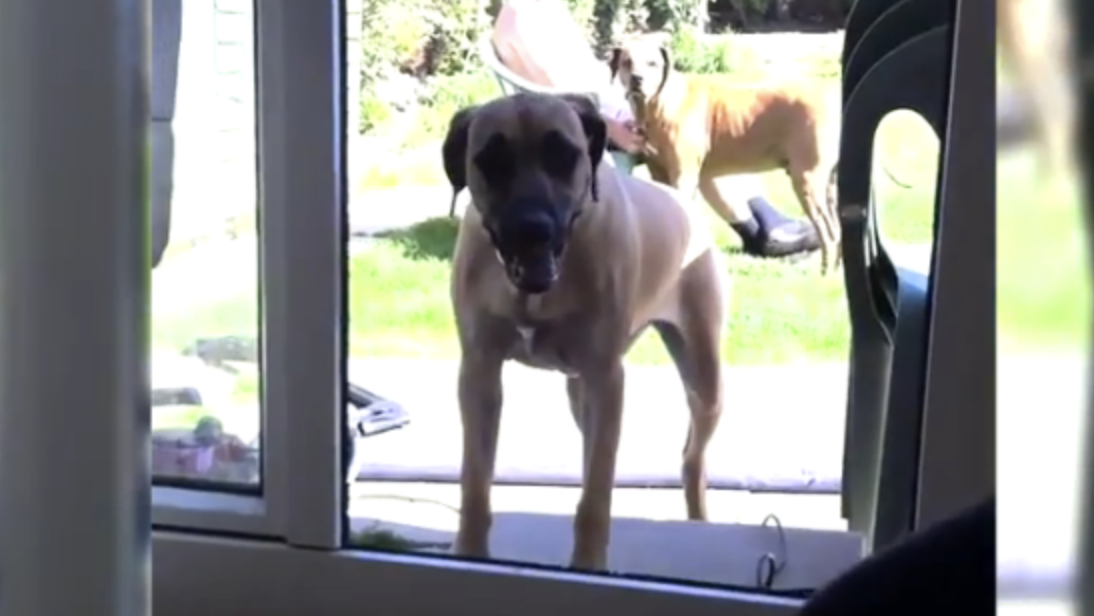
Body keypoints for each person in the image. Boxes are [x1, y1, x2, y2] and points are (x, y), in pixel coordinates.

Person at [490, 0, 820, 259]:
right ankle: (760, 229)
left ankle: (761, 224)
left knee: (698, 126)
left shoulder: (540, 9)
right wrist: (614, 129)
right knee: (691, 135)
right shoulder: (521, 18)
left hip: (610, 108)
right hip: (588, 126)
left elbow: (584, 73)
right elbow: (561, 100)